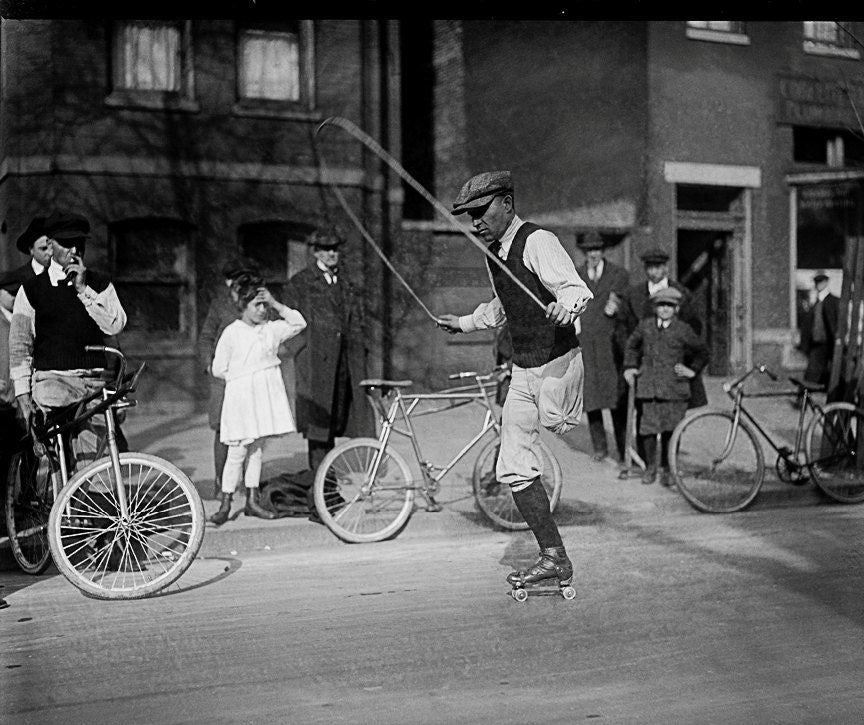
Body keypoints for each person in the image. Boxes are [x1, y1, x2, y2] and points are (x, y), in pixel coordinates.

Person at [437, 170, 593, 591]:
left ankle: (569, 423)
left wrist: (567, 307)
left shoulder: (538, 241)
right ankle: (554, 557)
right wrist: (465, 323)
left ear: (507, 202)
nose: (476, 223)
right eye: (469, 216)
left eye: (481, 212)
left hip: (558, 361)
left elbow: (575, 288)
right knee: (513, 465)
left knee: (561, 424)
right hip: (524, 367)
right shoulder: (493, 254)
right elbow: (503, 306)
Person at [8, 211, 127, 469]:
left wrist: (84, 291)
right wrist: (23, 397)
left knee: (94, 466)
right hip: (54, 381)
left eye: (79, 243)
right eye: (66, 243)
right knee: (57, 457)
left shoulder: (99, 283)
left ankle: (82, 500)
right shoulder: (31, 290)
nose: (74, 250)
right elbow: (20, 347)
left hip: (94, 381)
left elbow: (115, 325)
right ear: (50, 245)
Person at [208, 273, 307, 525]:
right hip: (242, 396)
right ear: (243, 305)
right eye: (257, 305)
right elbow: (219, 368)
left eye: (265, 305)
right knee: (238, 449)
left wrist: (276, 304)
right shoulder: (232, 332)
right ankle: (226, 503)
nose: (262, 310)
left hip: (264, 396)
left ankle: (252, 501)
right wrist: (242, 379)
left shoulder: (270, 330)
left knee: (257, 449)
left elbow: (298, 323)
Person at [281, 229, 375, 472]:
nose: (332, 253)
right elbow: (286, 325)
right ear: (316, 252)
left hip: (344, 363)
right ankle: (321, 483)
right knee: (319, 422)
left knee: (339, 415)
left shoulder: (346, 283)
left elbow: (357, 321)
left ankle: (327, 478)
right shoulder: (300, 283)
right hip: (316, 365)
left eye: (335, 248)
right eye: (326, 249)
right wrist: (304, 352)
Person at [623, 287, 708, 486]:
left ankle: (669, 469)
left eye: (670, 306)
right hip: (649, 387)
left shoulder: (683, 329)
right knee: (648, 430)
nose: (665, 309)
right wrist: (630, 367)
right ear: (655, 308)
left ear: (676, 309)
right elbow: (631, 346)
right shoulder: (645, 326)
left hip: (674, 390)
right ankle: (651, 467)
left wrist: (692, 370)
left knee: (672, 431)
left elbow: (702, 351)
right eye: (661, 305)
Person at [196, 258, 260, 498]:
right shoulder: (220, 305)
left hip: (250, 378)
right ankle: (222, 485)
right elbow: (205, 338)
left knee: (252, 432)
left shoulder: (257, 305)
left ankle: (249, 487)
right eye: (236, 280)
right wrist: (210, 366)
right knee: (224, 432)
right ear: (228, 282)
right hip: (224, 380)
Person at [575, 230, 630, 464]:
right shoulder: (576, 275)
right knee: (592, 398)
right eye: (589, 251)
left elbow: (628, 306)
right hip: (586, 344)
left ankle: (622, 447)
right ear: (585, 253)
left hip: (610, 346)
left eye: (596, 250)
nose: (593, 254)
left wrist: (618, 308)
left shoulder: (619, 274)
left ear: (603, 251)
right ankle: (600, 448)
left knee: (615, 397)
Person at [0, 216, 51, 316]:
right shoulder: (13, 280)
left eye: (52, 248)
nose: (49, 253)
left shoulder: (65, 275)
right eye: (43, 248)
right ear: (31, 250)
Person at [798, 270, 839, 395]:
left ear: (826, 282)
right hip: (817, 344)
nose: (818, 284)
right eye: (816, 281)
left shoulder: (834, 301)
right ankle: (803, 398)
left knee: (837, 371)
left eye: (821, 281)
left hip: (830, 343)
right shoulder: (814, 303)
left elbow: (838, 322)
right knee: (811, 372)